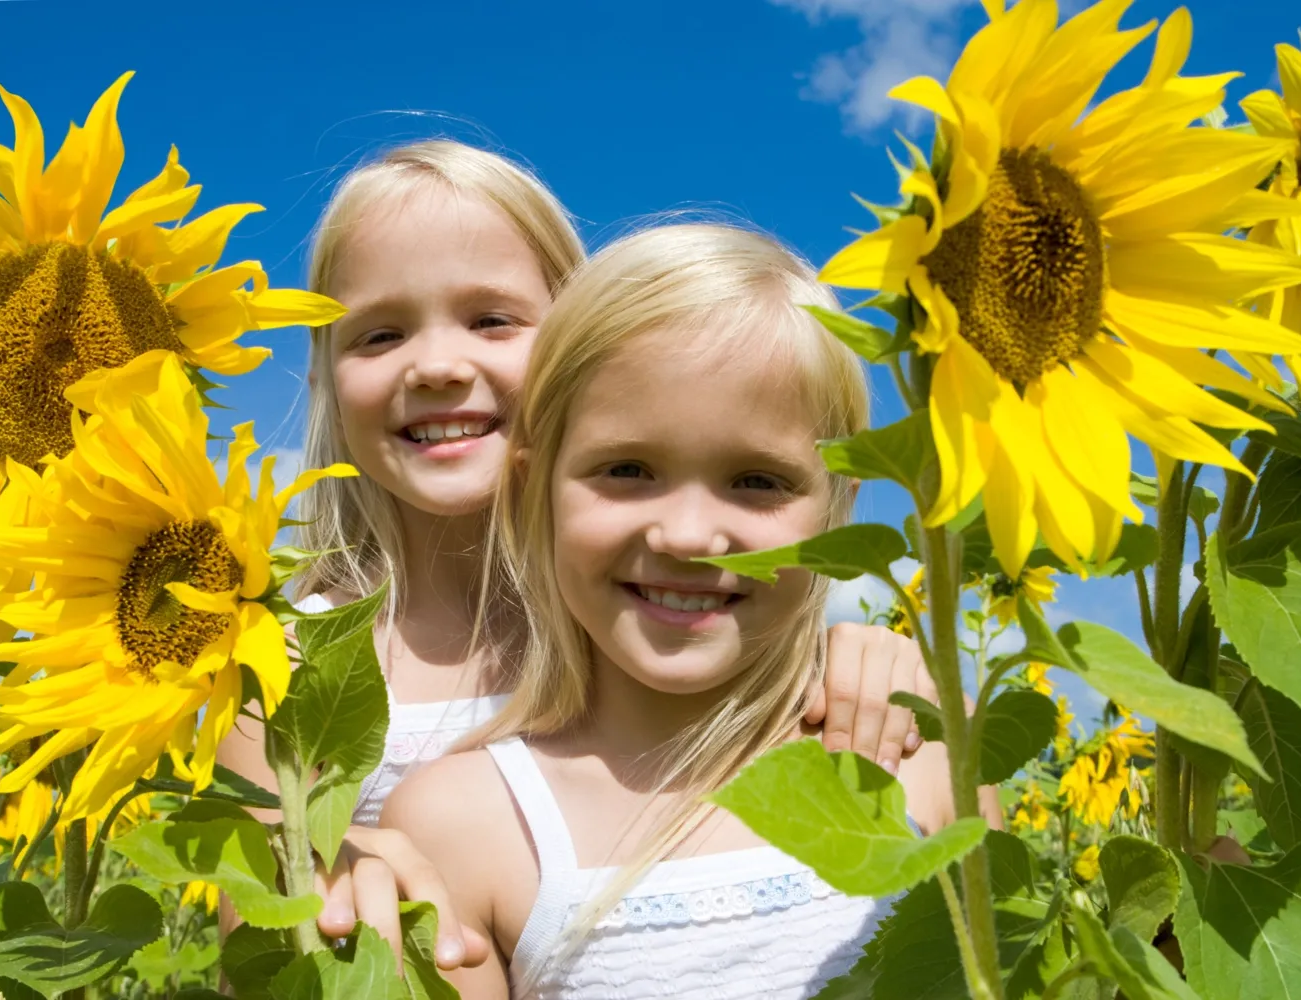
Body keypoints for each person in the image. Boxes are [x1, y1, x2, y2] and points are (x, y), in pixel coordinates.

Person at [217, 142, 940, 970]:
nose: (440, 365)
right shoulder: (284, 662)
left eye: (492, 320)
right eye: (379, 335)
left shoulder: (646, 612)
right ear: (325, 377)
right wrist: (331, 883)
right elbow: (265, 942)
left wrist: (874, 659)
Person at [380, 223, 1000, 997]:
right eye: (628, 469)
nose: (689, 536)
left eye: (758, 481)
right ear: (535, 488)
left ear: (839, 507)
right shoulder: (465, 826)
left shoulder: (926, 757)